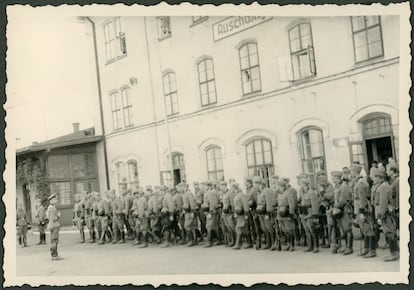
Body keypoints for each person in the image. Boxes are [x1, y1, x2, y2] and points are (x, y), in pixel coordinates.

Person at [351, 164, 376, 258]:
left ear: (355, 172)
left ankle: (372, 250)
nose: (351, 174)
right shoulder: (358, 182)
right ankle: (366, 248)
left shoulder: (361, 183)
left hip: (363, 208)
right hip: (359, 207)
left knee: (368, 229)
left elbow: (362, 198)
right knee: (364, 229)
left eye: (352, 172)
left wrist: (361, 211)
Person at [375, 169, 399, 262]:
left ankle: (394, 254)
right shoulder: (385, 186)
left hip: (386, 214)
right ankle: (395, 252)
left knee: (389, 232)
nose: (373, 178)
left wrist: (380, 216)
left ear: (379, 178)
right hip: (387, 213)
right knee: (390, 232)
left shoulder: (383, 187)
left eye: (374, 177)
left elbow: (383, 203)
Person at [331, 171, 353, 255]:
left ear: (337, 177)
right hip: (338, 210)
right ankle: (345, 246)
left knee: (347, 228)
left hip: (344, 210)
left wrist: (335, 206)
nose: (332, 178)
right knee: (342, 229)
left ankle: (349, 247)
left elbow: (343, 200)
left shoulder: (344, 187)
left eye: (333, 177)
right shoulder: (336, 186)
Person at [300, 179, 321, 253]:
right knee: (307, 231)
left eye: (302, 184)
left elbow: (314, 205)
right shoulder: (303, 194)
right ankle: (310, 246)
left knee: (313, 230)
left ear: (306, 185)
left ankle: (316, 247)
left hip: (310, 213)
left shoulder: (311, 193)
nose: (301, 186)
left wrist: (314, 215)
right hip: (304, 213)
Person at [277, 178, 297, 251]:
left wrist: (291, 214)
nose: (278, 187)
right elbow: (279, 206)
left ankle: (292, 245)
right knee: (284, 230)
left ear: (282, 186)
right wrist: (278, 216)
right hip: (281, 214)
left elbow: (291, 204)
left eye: (279, 186)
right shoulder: (279, 194)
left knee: (290, 230)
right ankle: (288, 244)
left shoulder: (288, 193)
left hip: (287, 213)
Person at [232, 183, 251, 249]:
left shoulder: (242, 195)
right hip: (238, 215)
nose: (232, 190)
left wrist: (246, 214)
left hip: (242, 214)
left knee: (238, 228)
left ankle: (238, 244)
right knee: (244, 229)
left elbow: (245, 205)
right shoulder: (236, 196)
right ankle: (249, 243)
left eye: (233, 188)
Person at [203, 180, 221, 247]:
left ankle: (210, 242)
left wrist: (210, 212)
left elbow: (213, 203)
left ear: (208, 185)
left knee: (209, 226)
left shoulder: (211, 192)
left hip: (211, 212)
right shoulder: (209, 192)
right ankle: (217, 239)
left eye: (205, 185)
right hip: (209, 211)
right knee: (213, 226)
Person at [46, 194, 63, 260]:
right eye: (55, 199)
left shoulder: (49, 208)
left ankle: (53, 255)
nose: (56, 200)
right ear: (51, 200)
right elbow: (53, 218)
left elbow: (48, 217)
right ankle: (55, 255)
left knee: (53, 240)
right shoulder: (52, 208)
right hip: (54, 225)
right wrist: (58, 216)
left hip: (51, 225)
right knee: (54, 240)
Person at [182, 182, 198, 246]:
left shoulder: (188, 194)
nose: (180, 188)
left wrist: (192, 212)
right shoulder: (185, 194)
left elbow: (192, 203)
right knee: (191, 226)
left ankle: (191, 240)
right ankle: (193, 240)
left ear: (185, 187)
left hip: (189, 212)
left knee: (187, 226)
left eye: (182, 187)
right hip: (186, 212)